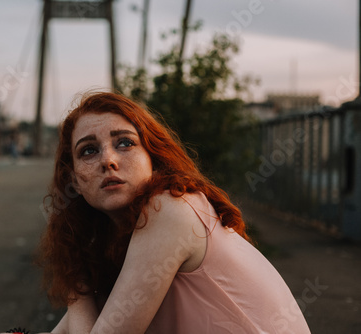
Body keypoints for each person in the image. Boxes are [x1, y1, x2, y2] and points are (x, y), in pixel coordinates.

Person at [36, 91, 310, 334]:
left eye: (124, 143)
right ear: (74, 181)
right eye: (88, 150)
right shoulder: (115, 239)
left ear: (153, 159)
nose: (108, 160)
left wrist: (78, 287)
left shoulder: (168, 209)